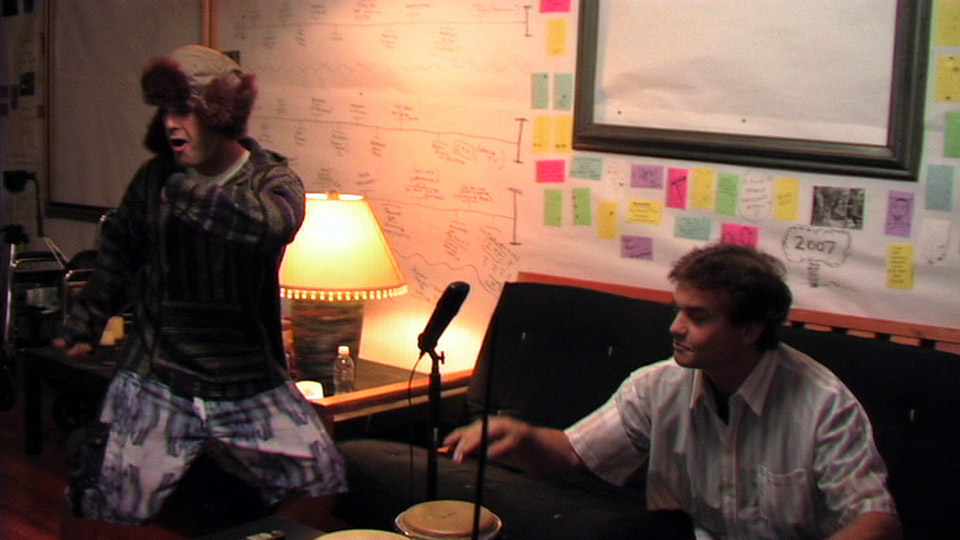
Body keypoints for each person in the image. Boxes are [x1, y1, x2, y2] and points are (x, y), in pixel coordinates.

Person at [55, 45, 347, 530]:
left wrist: (188, 191)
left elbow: (269, 225)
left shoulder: (273, 180)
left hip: (246, 376)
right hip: (158, 373)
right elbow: (120, 250)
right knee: (103, 501)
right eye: (166, 110)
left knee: (319, 478)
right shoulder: (153, 177)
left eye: (185, 110)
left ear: (221, 113)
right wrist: (86, 320)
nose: (172, 124)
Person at [445, 243, 901, 540]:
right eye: (677, 311)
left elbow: (877, 522)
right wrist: (523, 437)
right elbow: (573, 455)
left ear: (750, 330)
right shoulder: (657, 385)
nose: (675, 328)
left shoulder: (823, 404)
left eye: (698, 318)